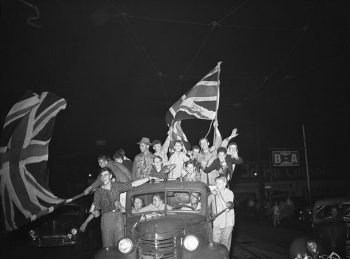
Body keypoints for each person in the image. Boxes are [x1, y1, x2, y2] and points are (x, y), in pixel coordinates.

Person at [91, 167, 152, 247]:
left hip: (119, 216)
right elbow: (96, 209)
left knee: (121, 243)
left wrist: (148, 178)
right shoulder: (98, 192)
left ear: (110, 176)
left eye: (106, 175)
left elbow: (133, 184)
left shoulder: (117, 186)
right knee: (107, 245)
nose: (103, 177)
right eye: (102, 176)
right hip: (106, 218)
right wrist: (96, 213)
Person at [209, 175, 235, 252]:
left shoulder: (229, 193)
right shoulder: (214, 194)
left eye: (219, 183)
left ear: (225, 184)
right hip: (217, 223)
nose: (217, 186)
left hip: (227, 224)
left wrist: (219, 196)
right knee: (215, 246)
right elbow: (206, 203)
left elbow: (227, 209)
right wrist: (211, 195)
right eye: (216, 183)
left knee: (225, 247)